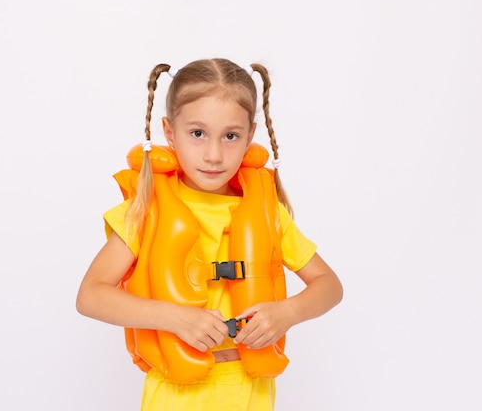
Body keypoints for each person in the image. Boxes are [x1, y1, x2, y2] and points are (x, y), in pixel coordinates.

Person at [76, 58, 343, 410]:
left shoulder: (266, 211)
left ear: (250, 135)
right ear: (170, 132)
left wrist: (287, 313)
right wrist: (174, 317)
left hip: (250, 392)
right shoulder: (145, 210)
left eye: (230, 136)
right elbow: (90, 296)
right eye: (197, 133)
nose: (214, 154)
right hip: (176, 395)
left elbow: (329, 285)